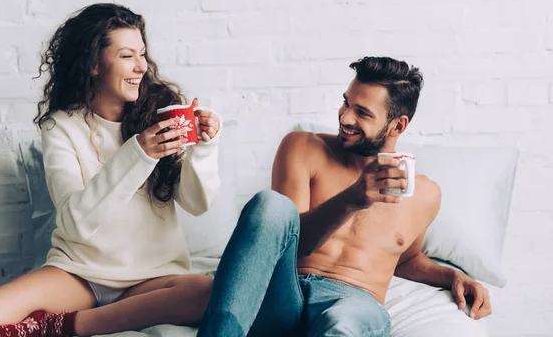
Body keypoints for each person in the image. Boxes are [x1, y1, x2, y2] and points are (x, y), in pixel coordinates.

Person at [0, 3, 222, 337]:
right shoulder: (61, 127)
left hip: (151, 276)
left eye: (142, 54)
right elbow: (75, 223)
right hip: (79, 274)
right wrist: (138, 153)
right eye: (127, 56)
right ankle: (84, 319)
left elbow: (197, 204)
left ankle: (67, 326)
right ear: (94, 64)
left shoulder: (160, 115)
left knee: (205, 292)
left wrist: (205, 149)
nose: (141, 67)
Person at [196, 57, 491, 337]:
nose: (345, 117)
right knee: (270, 205)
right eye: (346, 102)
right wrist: (352, 199)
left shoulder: (426, 194)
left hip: (353, 300)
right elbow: (288, 246)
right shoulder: (303, 148)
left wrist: (452, 276)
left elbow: (406, 260)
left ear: (397, 125)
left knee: (344, 323)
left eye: (362, 112)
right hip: (286, 292)